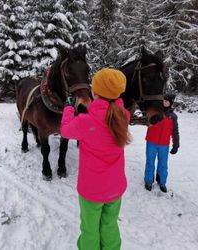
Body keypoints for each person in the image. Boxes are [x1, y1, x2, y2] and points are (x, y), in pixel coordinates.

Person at [61, 68, 131, 250]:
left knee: (90, 229)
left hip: (91, 191)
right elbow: (113, 109)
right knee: (109, 225)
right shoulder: (123, 116)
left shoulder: (85, 122)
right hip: (115, 188)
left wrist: (68, 108)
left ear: (95, 92)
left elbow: (65, 130)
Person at [144, 93, 180, 193]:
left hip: (164, 145)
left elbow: (175, 131)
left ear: (171, 103)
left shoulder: (172, 117)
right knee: (150, 162)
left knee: (163, 164)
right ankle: (148, 181)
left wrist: (176, 144)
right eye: (163, 100)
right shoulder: (154, 112)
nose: (164, 102)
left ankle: (162, 182)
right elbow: (145, 121)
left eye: (167, 101)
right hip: (151, 142)